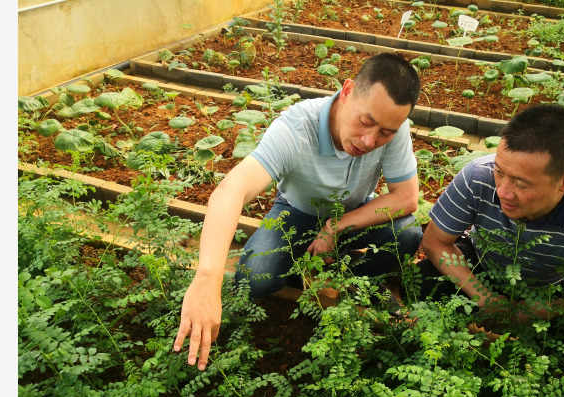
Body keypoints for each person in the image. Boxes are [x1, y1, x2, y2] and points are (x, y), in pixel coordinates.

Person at [174, 53, 423, 370]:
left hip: (354, 214)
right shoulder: (295, 127)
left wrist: (338, 227)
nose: (371, 140)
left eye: (385, 132)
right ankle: (309, 261)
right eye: (366, 122)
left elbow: (406, 197)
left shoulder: (393, 130)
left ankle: (358, 278)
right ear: (347, 92)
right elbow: (231, 190)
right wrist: (207, 279)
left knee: (408, 234)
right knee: (254, 280)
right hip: (297, 213)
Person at [417, 104, 564, 324]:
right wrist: (483, 296)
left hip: (557, 285)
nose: (503, 192)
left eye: (521, 184)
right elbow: (435, 241)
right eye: (500, 172)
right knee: (422, 280)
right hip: (483, 267)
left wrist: (548, 311)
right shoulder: (477, 175)